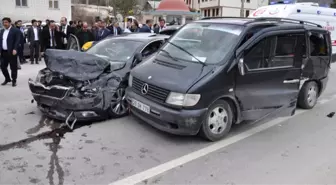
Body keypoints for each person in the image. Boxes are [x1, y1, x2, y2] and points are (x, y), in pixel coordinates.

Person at [0, 17, 21, 87]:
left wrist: (15, 49)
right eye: (3, 22)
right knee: (2, 66)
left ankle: (14, 80)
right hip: (3, 52)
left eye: (6, 22)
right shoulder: (2, 31)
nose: (4, 24)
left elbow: (17, 41)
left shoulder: (15, 30)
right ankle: (7, 78)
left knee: (13, 67)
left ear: (9, 22)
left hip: (12, 51)